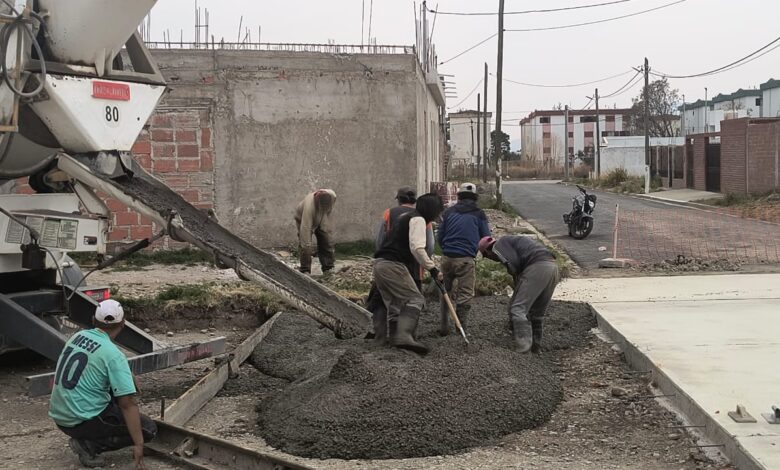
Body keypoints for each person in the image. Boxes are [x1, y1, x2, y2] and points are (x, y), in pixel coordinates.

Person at [49, 299, 156, 469]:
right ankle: (89, 445)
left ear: (93, 320)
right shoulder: (114, 355)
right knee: (149, 428)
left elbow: (99, 359)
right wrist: (139, 444)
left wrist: (127, 373)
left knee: (115, 387)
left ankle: (90, 432)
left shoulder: (77, 336)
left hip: (60, 417)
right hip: (80, 421)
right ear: (122, 324)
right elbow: (128, 404)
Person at [373, 193, 444, 353]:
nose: (438, 215)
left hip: (380, 264)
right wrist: (432, 268)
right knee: (415, 299)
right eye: (438, 211)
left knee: (394, 303)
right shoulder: (418, 220)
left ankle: (393, 338)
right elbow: (417, 248)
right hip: (393, 265)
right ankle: (404, 336)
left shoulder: (406, 217)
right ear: (432, 210)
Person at [478, 235, 560, 354]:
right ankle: (536, 347)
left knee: (517, 308)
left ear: (487, 251)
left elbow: (513, 266)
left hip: (537, 267)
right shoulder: (512, 242)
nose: (490, 259)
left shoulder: (498, 246)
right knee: (537, 313)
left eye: (486, 256)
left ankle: (523, 348)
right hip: (552, 267)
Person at [437, 182, 492, 335]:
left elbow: (440, 236)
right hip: (466, 259)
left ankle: (444, 326)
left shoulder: (448, 212)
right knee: (465, 294)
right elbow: (486, 238)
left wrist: (446, 249)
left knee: (444, 291)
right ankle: (461, 329)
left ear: (459, 196)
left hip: (447, 258)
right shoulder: (479, 213)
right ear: (475, 198)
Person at [294, 189, 337, 274]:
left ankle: (328, 268)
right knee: (305, 245)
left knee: (326, 240)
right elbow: (305, 229)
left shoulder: (332, 196)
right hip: (303, 219)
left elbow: (328, 211)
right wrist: (306, 246)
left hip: (320, 217)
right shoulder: (309, 207)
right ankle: (305, 270)